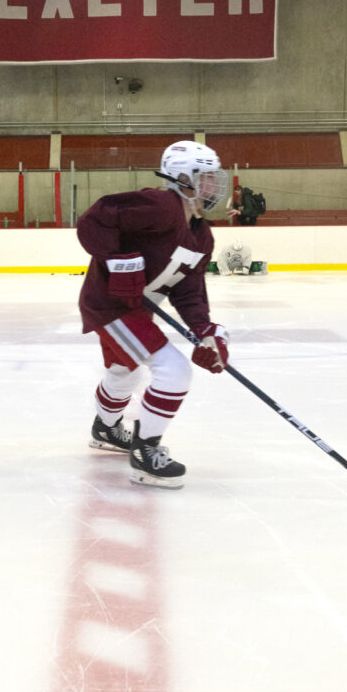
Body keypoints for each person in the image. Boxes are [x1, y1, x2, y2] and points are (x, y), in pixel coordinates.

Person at [77, 139, 231, 489]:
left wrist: (206, 330)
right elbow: (94, 219)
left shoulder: (202, 237)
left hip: (135, 311)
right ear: (182, 177)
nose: (214, 185)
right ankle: (145, 453)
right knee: (174, 371)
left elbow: (188, 292)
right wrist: (117, 259)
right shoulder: (161, 205)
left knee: (124, 372)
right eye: (205, 177)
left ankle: (105, 428)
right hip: (110, 305)